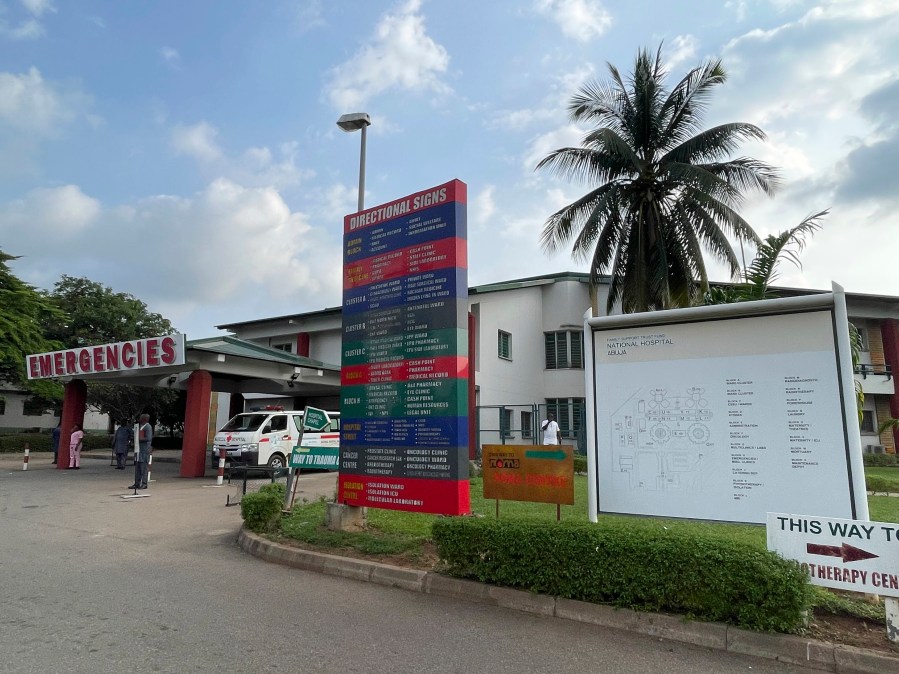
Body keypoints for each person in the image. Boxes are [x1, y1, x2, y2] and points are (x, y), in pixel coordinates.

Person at [129, 414, 152, 489]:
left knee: (144, 467)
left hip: (144, 451)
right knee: (138, 467)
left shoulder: (148, 427)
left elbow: (148, 438)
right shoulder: (140, 426)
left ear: (145, 419)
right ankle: (137, 483)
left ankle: (144, 483)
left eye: (141, 418)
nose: (139, 419)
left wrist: (139, 438)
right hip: (138, 450)